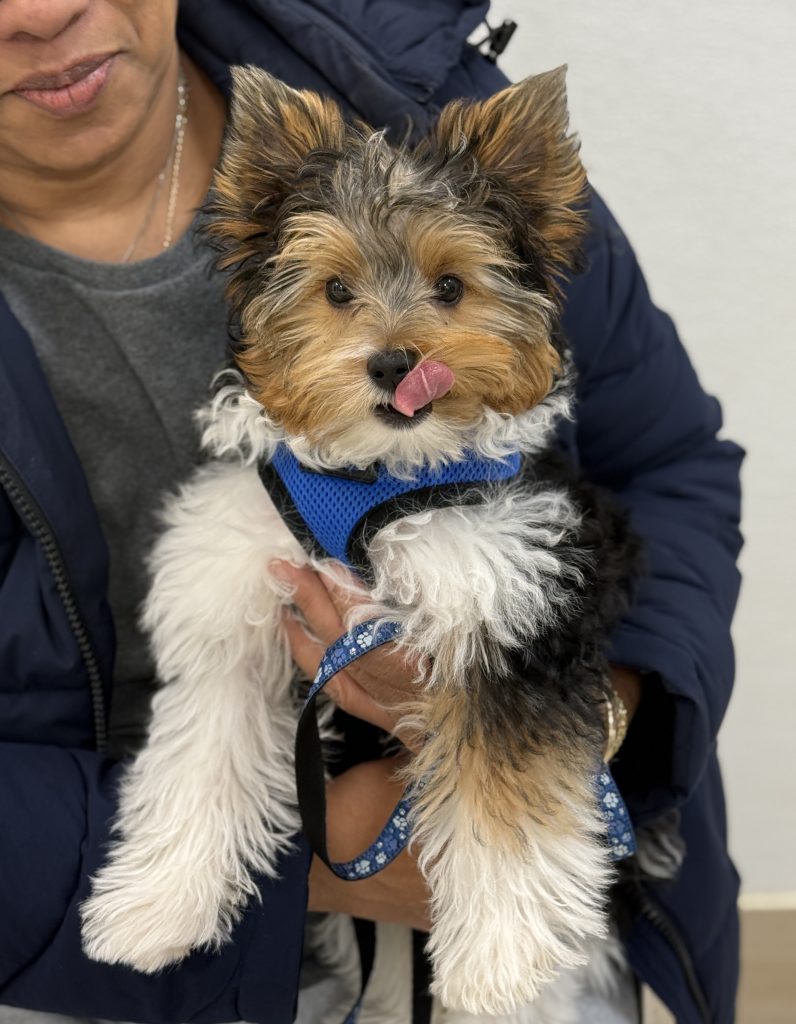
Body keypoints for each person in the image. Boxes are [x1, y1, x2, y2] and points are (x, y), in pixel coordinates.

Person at [0, 1, 743, 1022]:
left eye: (447, 283)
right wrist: (323, 853)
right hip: (64, 939)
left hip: (541, 889)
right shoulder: (257, 504)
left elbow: (670, 460)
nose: (42, 13)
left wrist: (606, 715)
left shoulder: (420, 87)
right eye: (340, 293)